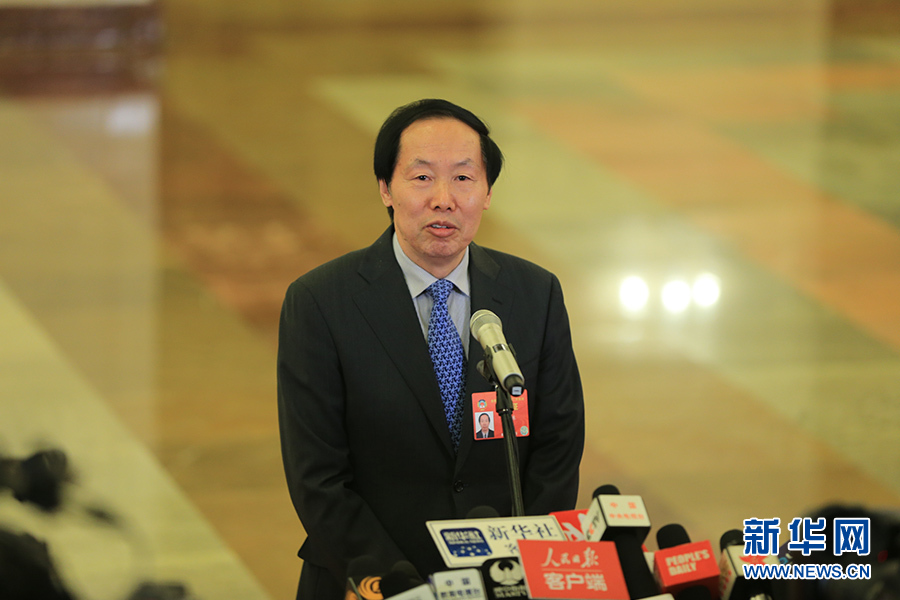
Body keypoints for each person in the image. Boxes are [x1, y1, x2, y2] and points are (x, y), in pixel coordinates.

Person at [277, 98, 585, 600]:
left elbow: (558, 446)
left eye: (463, 178)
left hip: (502, 583)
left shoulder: (535, 293)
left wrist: (522, 569)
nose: (444, 199)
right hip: (371, 581)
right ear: (385, 188)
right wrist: (397, 583)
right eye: (422, 178)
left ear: (487, 192)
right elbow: (317, 475)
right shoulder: (321, 302)